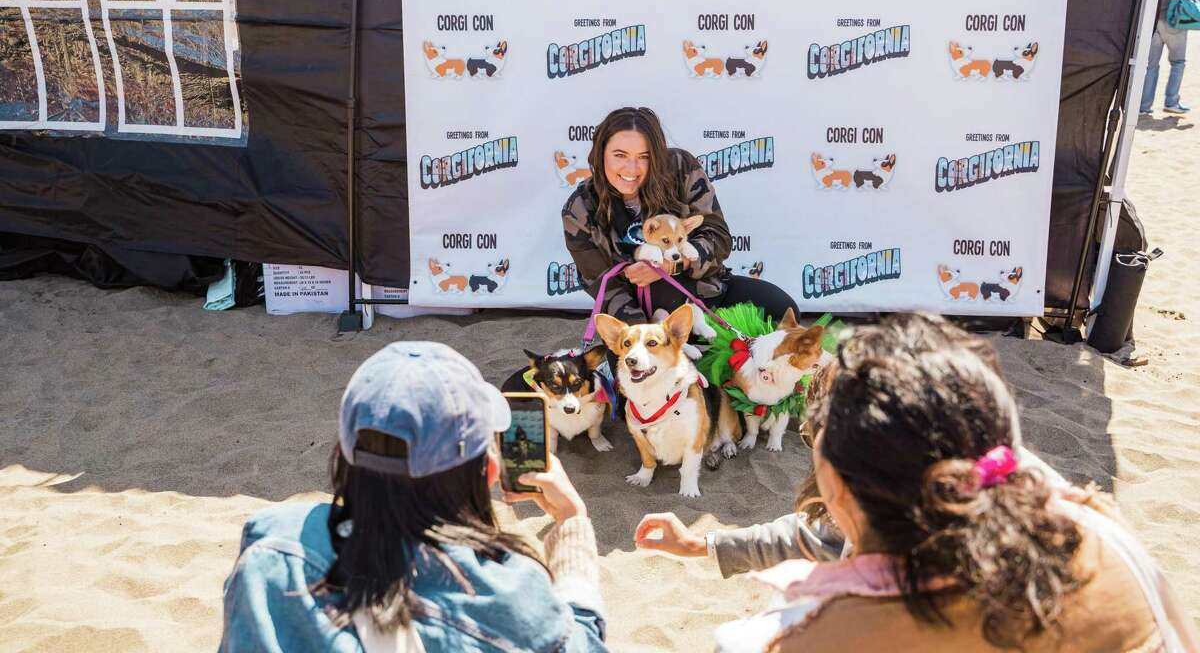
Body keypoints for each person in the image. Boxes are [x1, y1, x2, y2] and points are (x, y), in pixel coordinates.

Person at [634, 315, 1198, 652]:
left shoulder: (824, 636)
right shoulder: (1093, 526)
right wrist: (705, 544)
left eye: (813, 437)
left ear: (837, 481)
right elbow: (832, 534)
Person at [218, 341, 608, 652]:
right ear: (489, 470)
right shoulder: (508, 593)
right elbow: (582, 643)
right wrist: (572, 522)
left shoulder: (269, 550)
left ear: (345, 451)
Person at [562, 106, 799, 325]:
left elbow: (719, 238)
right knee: (647, 368)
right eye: (620, 155)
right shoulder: (580, 209)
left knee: (783, 312)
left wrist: (669, 265)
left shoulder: (680, 167)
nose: (631, 169)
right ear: (600, 152)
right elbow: (605, 288)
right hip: (642, 315)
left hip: (704, 294)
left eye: (644, 157)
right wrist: (650, 337)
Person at [1139, 0, 1199, 117]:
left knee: (1150, 64)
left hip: (1152, 19)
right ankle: (1171, 102)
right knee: (1178, 62)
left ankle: (1143, 106)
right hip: (1175, 19)